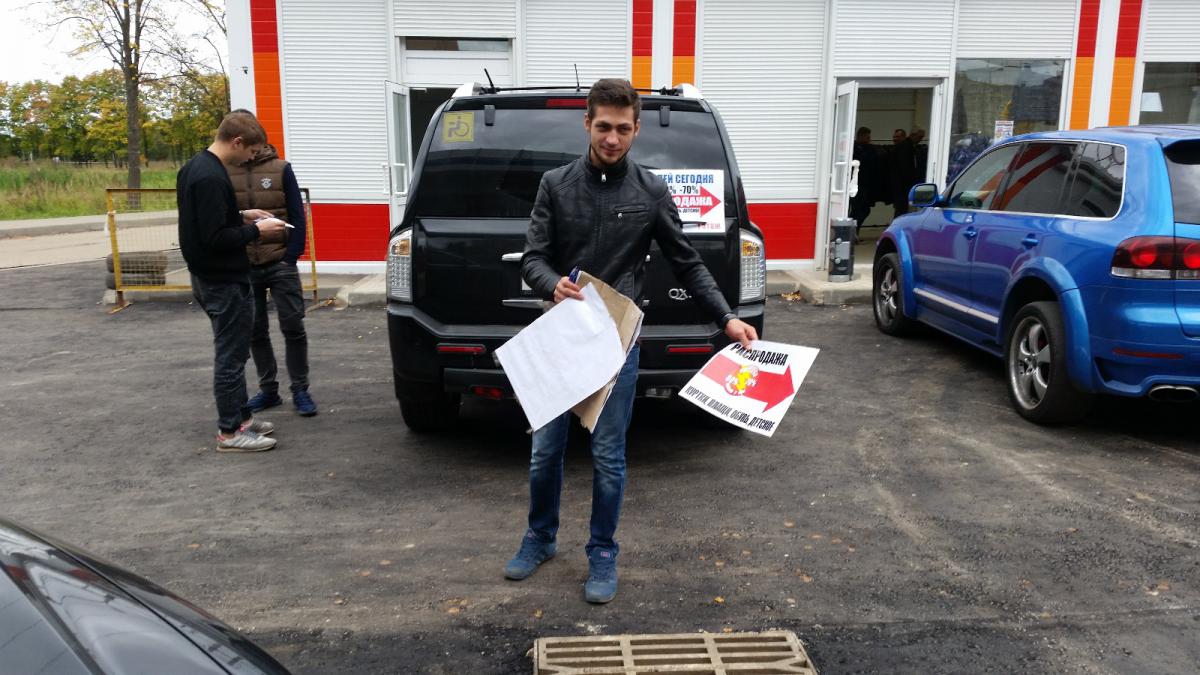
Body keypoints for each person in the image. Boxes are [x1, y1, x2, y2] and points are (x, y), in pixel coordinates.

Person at [506, 78, 758, 604]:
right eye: (603, 127)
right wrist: (551, 283)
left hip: (617, 342)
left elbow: (687, 261)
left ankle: (602, 550)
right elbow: (532, 258)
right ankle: (540, 537)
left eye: (623, 129)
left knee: (608, 456)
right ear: (587, 124)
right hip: (559, 335)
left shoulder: (650, 191)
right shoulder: (556, 185)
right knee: (544, 452)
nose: (612, 138)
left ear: (637, 129)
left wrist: (727, 318)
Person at [178, 111, 287, 452]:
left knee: (235, 352)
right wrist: (257, 231)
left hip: (207, 276)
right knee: (231, 357)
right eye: (251, 152)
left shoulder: (195, 167)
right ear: (237, 142)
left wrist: (242, 215)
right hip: (222, 280)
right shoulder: (211, 176)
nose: (251, 159)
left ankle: (242, 418)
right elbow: (215, 237)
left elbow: (206, 219)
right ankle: (230, 432)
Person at [228, 142, 318, 417]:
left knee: (293, 326)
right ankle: (268, 390)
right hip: (246, 265)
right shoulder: (226, 169)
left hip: (280, 262)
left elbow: (297, 214)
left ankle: (300, 389)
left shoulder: (281, 169)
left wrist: (291, 257)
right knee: (255, 330)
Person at [849, 126, 879, 232]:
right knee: (860, 210)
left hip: (864, 184)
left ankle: (853, 232)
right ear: (860, 136)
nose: (869, 140)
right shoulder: (854, 149)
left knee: (861, 210)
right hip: (856, 184)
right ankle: (852, 231)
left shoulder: (867, 149)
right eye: (867, 137)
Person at [888, 128, 917, 221]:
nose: (895, 139)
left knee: (901, 209)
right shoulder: (901, 148)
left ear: (904, 137)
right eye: (894, 137)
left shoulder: (902, 148)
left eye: (898, 137)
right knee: (901, 209)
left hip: (902, 185)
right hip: (901, 185)